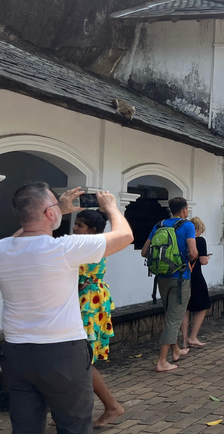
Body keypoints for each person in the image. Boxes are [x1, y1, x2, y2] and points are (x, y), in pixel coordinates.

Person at [0, 184, 132, 432]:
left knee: (25, 426)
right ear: (49, 214)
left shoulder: (4, 248)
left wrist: (56, 207)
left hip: (16, 353)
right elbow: (125, 236)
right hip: (62, 352)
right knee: (74, 425)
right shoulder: (63, 248)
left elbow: (22, 234)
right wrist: (111, 207)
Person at [73, 209, 124, 427]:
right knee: (78, 359)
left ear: (91, 230)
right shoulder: (91, 245)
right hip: (92, 301)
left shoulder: (87, 247)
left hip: (88, 304)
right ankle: (74, 410)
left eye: (80, 226)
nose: (75, 228)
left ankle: (112, 406)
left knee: (81, 359)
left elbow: (71, 274)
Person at [141, 197, 198, 372]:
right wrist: (184, 262)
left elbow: (144, 252)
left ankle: (175, 351)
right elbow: (194, 252)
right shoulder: (187, 226)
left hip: (162, 276)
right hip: (180, 277)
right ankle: (161, 361)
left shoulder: (159, 225)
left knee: (170, 315)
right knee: (174, 319)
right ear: (185, 210)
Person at [181, 217, 211, 349]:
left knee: (185, 309)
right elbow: (203, 261)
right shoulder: (199, 240)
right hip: (196, 277)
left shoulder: (182, 240)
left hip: (182, 276)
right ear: (198, 229)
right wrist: (207, 258)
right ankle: (193, 337)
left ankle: (184, 340)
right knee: (203, 306)